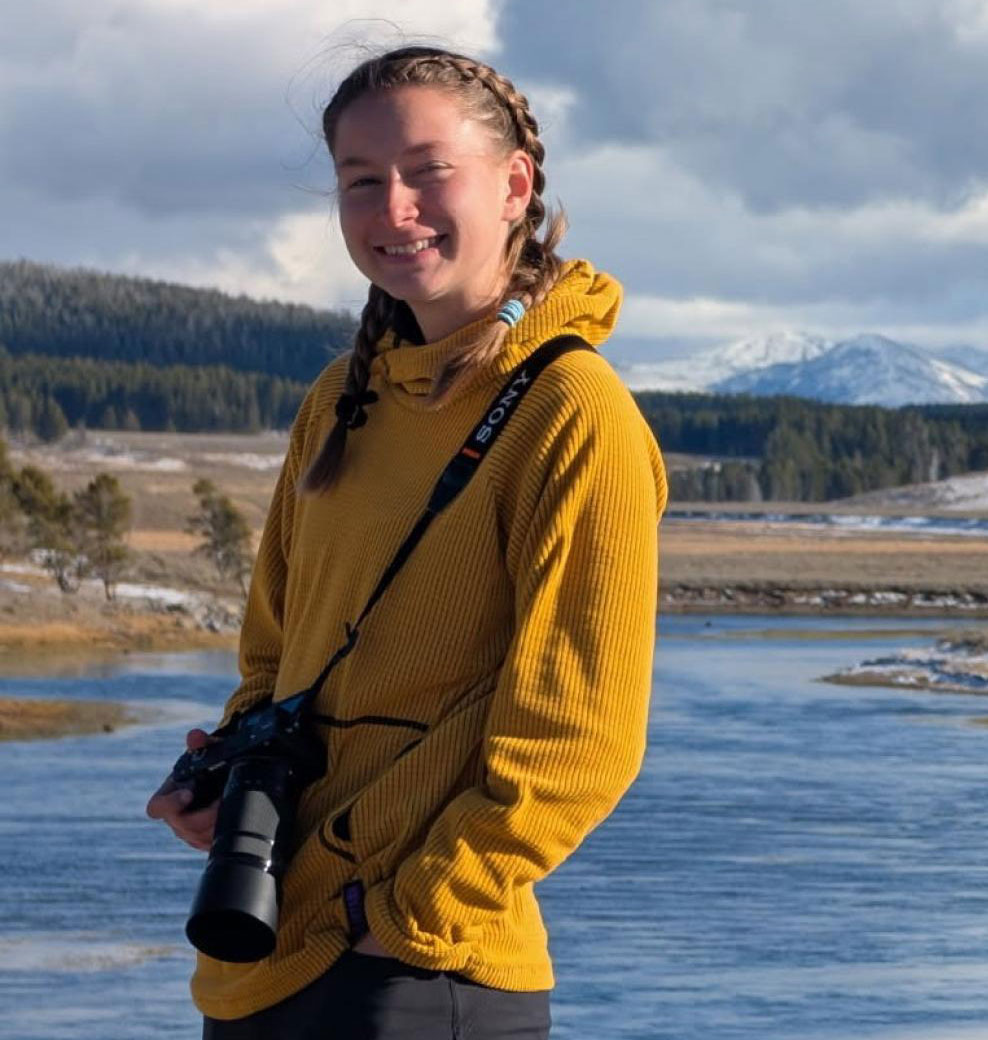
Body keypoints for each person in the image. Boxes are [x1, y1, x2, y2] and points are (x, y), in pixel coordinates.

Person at [144, 45, 666, 1039]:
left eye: (429, 172)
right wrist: (231, 778)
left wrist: (404, 915)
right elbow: (273, 660)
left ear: (515, 185)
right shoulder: (341, 399)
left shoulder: (573, 411)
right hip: (264, 957)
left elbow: (579, 740)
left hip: (419, 977)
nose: (394, 210)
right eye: (362, 181)